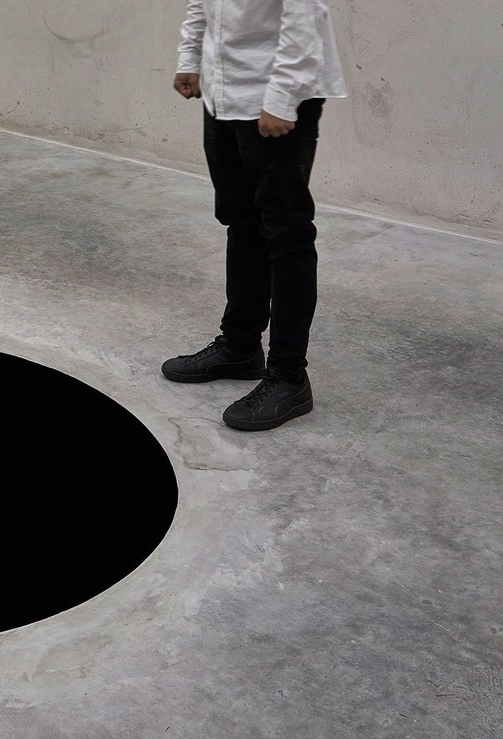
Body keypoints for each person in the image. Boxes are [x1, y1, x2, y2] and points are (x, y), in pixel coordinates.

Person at [162, 0, 348, 431]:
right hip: (223, 92)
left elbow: (304, 18)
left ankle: (289, 376)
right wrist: (190, 59)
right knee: (241, 223)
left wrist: (282, 98)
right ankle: (240, 346)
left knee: (287, 236)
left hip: (274, 94)